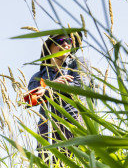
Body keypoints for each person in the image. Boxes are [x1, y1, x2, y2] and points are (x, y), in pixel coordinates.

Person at [25, 32, 86, 160]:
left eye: (69, 41)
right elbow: (30, 99)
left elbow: (80, 88)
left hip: (74, 120)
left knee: (78, 163)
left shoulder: (78, 63)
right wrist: (53, 85)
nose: (65, 43)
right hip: (47, 127)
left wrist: (46, 90)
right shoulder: (39, 76)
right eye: (59, 41)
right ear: (48, 49)